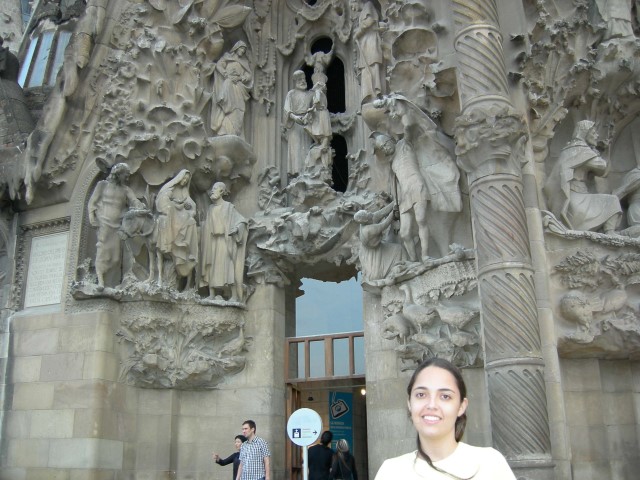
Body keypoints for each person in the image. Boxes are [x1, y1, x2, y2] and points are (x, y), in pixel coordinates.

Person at [374, 357, 516, 480]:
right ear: (409, 403)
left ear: (461, 406)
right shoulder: (391, 471)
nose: (431, 405)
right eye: (421, 395)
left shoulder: (489, 463)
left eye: (445, 396)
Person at [544, 120, 621, 233]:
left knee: (612, 201)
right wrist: (600, 150)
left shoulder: (572, 149)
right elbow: (602, 167)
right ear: (585, 133)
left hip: (581, 195)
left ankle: (609, 232)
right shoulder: (580, 150)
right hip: (575, 200)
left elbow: (602, 172)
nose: (597, 135)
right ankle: (609, 232)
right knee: (612, 201)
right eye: (594, 132)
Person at [371, 132, 430, 262]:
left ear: (391, 140)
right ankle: (414, 261)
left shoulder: (403, 144)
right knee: (404, 233)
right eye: (383, 148)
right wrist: (396, 202)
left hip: (416, 186)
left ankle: (425, 255)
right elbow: (396, 185)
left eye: (386, 144)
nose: (386, 148)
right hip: (404, 196)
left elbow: (409, 129)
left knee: (421, 220)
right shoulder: (392, 163)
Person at [88, 163, 142, 289]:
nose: (127, 178)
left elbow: (134, 201)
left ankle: (110, 283)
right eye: (125, 175)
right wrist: (92, 217)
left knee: (116, 258)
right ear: (118, 173)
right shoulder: (102, 185)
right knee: (102, 251)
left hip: (117, 225)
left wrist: (139, 206)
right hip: (104, 223)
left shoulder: (126, 190)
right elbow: (92, 202)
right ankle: (100, 281)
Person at [200, 181, 248, 302]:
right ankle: (212, 294)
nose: (212, 190)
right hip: (212, 242)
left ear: (221, 191)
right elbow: (208, 225)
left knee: (228, 266)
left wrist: (236, 229)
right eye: (212, 188)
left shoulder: (228, 207)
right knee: (212, 266)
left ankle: (234, 295)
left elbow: (242, 221)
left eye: (215, 188)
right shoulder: (210, 209)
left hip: (225, 241)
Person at [154, 169, 198, 288]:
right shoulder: (169, 189)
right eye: (183, 179)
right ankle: (170, 244)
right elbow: (163, 205)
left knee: (191, 221)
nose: (184, 182)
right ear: (179, 178)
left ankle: (184, 247)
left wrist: (190, 209)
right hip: (171, 220)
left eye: (186, 180)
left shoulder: (185, 192)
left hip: (181, 219)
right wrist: (176, 205)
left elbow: (192, 207)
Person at [211, 40, 252, 137]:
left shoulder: (244, 62)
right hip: (229, 84)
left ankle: (236, 133)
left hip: (239, 87)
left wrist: (242, 78)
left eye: (244, 50)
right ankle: (224, 131)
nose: (242, 51)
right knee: (228, 108)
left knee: (239, 109)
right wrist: (226, 74)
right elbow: (219, 65)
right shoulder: (227, 57)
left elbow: (248, 75)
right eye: (241, 48)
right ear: (237, 48)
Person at [283, 70, 312, 175]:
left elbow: (316, 108)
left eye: (304, 79)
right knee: (296, 149)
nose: (303, 81)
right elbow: (287, 110)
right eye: (300, 80)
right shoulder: (291, 94)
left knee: (306, 148)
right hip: (295, 125)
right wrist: (294, 117)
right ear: (295, 82)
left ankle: (307, 172)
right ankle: (296, 173)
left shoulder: (310, 94)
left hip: (306, 124)